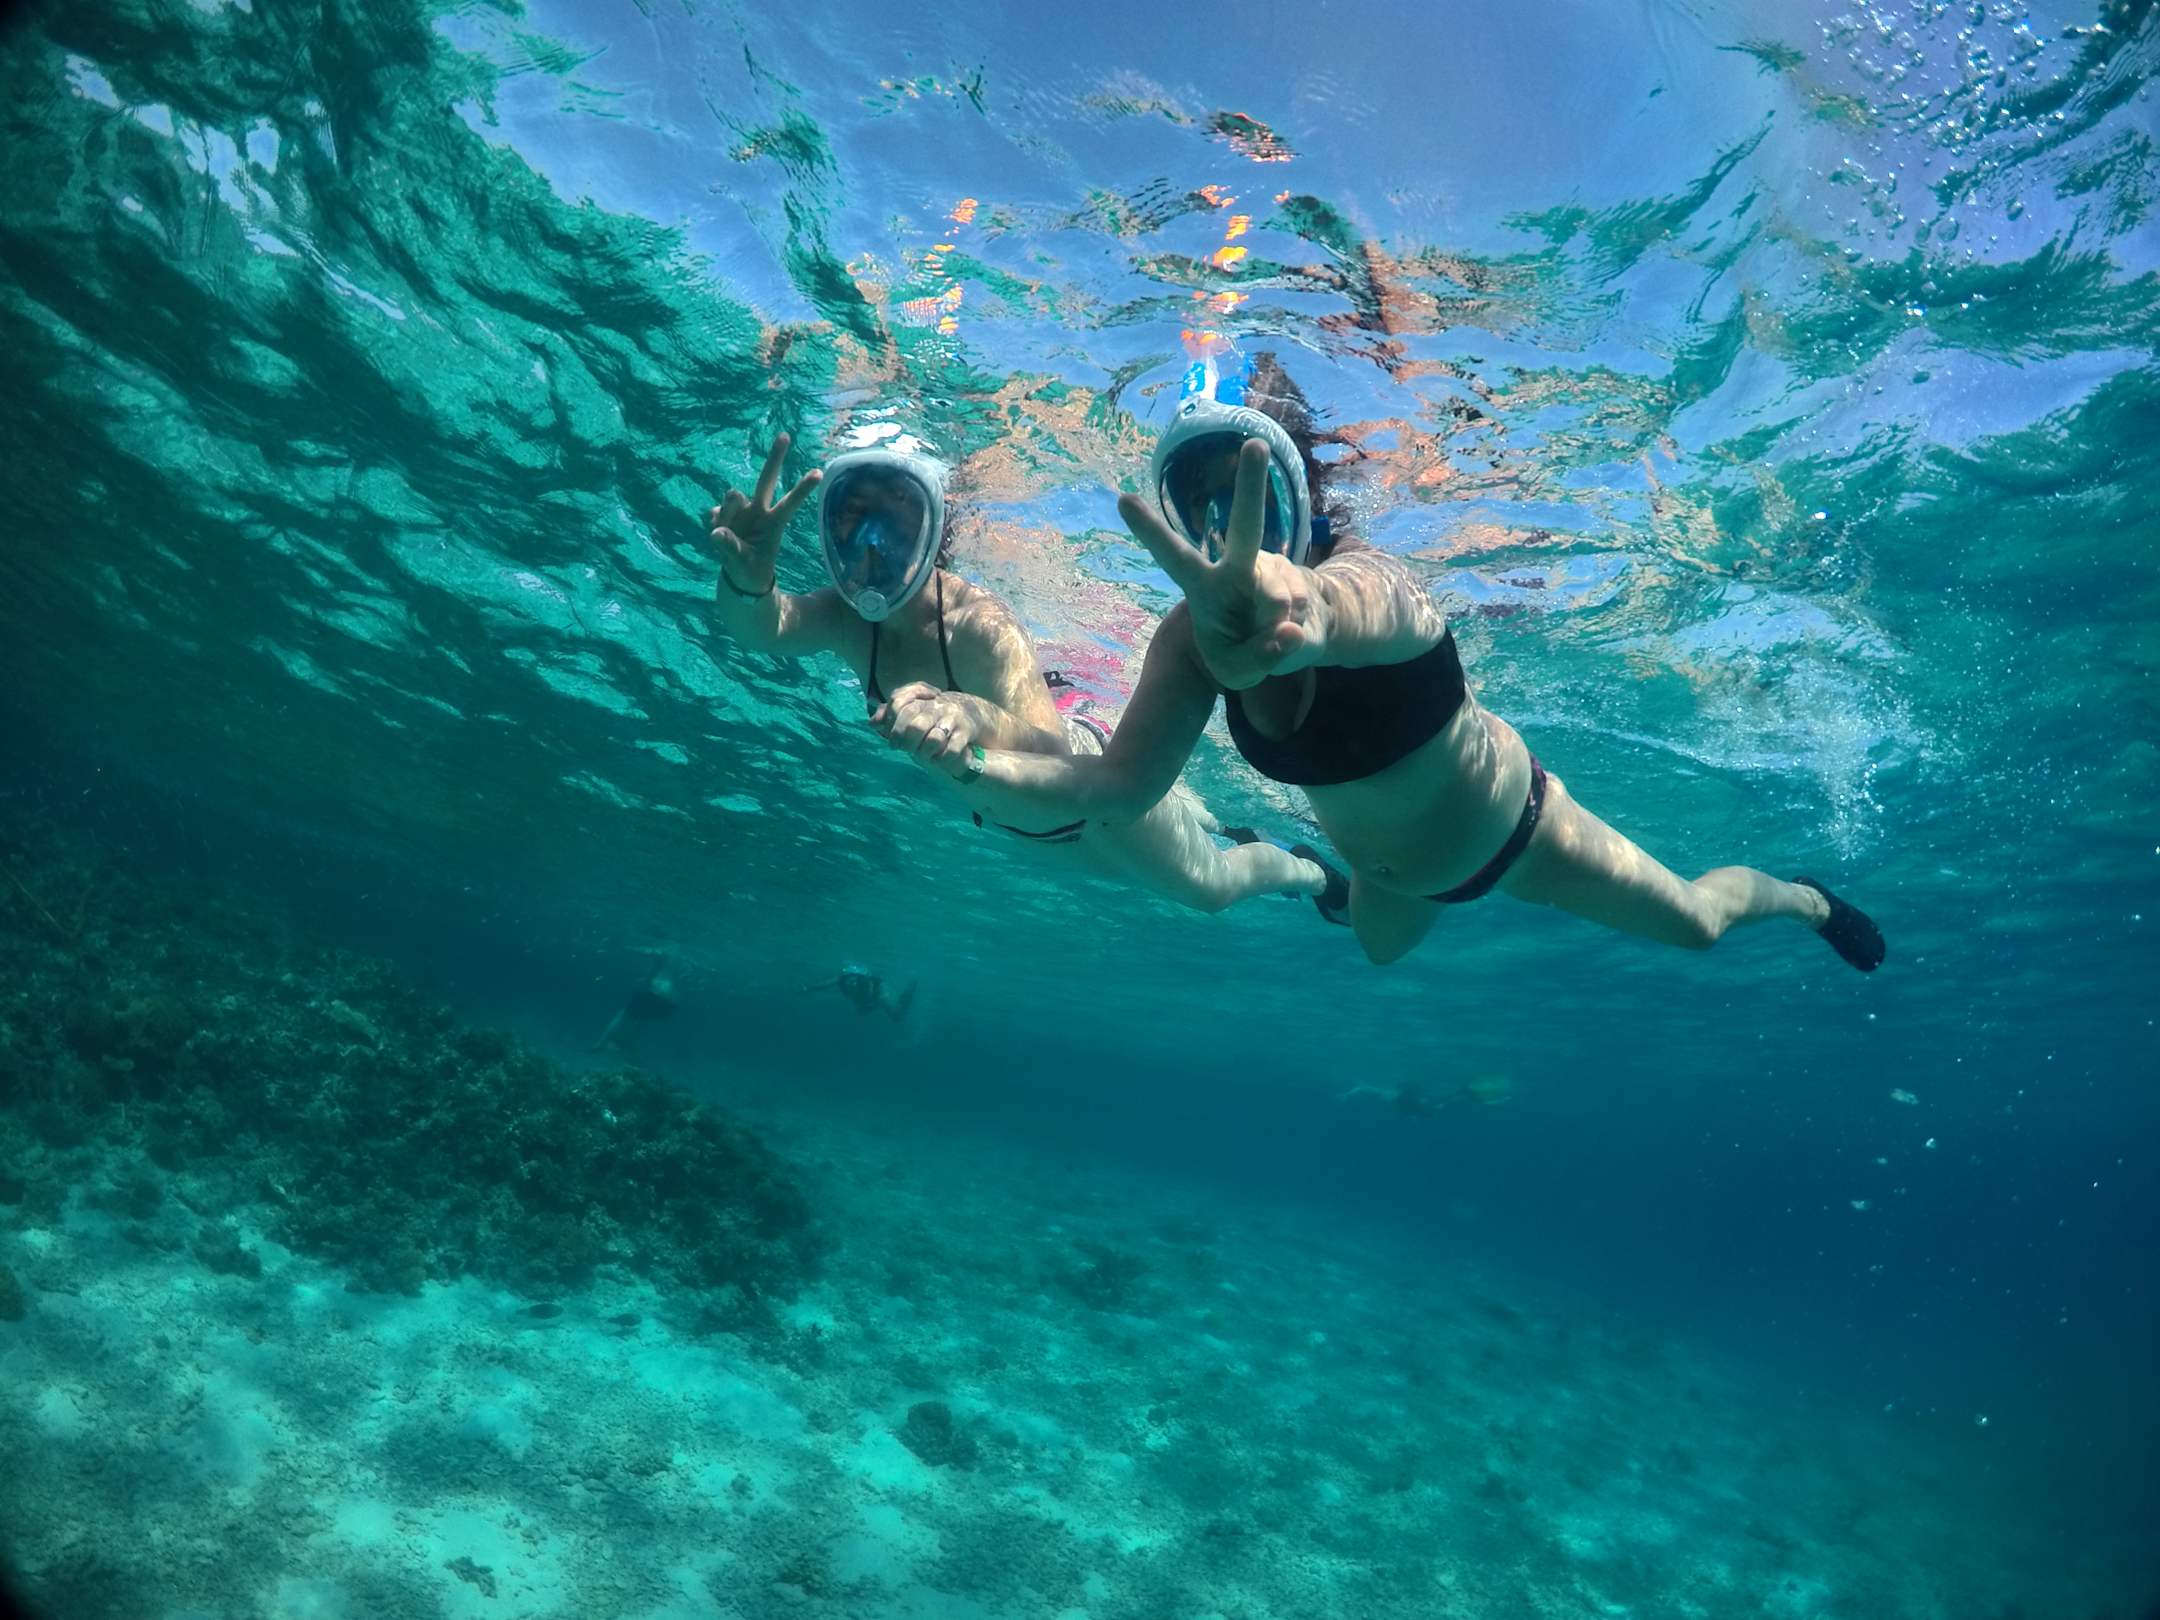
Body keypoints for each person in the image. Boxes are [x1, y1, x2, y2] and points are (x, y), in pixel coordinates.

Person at [881, 354, 1885, 972]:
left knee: (1698, 925)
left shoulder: (1367, 580)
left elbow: (1355, 610)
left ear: (1306, 495)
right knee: (1372, 952)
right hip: (1390, 882)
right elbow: (1116, 788)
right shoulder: (1188, 641)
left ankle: (1805, 899)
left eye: (1250, 496)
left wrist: (1301, 607)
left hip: (1526, 837)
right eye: (1199, 505)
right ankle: (1305, 871)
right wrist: (979, 764)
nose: (1226, 530)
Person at [705, 431, 1345, 919]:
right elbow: (764, 629)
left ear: (934, 526)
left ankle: (1312, 874)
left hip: (1091, 796)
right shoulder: (845, 619)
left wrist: (968, 711)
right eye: (852, 514)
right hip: (1032, 828)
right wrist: (749, 578)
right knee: (1182, 827)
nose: (873, 543)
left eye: (896, 514)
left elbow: (1050, 749)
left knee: (1211, 889)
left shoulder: (979, 624)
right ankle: (1212, 818)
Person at [593, 961, 678, 1052]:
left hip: (651, 999)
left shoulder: (660, 976)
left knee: (626, 1018)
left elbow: (648, 982)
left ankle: (603, 1044)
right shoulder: (669, 975)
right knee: (639, 1022)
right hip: (659, 1002)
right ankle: (626, 1046)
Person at [805, 964, 915, 1022]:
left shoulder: (877, 991)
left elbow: (826, 984)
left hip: (876, 995)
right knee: (861, 1011)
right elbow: (825, 984)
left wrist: (808, 989)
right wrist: (808, 988)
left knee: (896, 1016)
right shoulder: (844, 981)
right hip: (868, 997)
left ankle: (911, 987)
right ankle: (873, 1005)